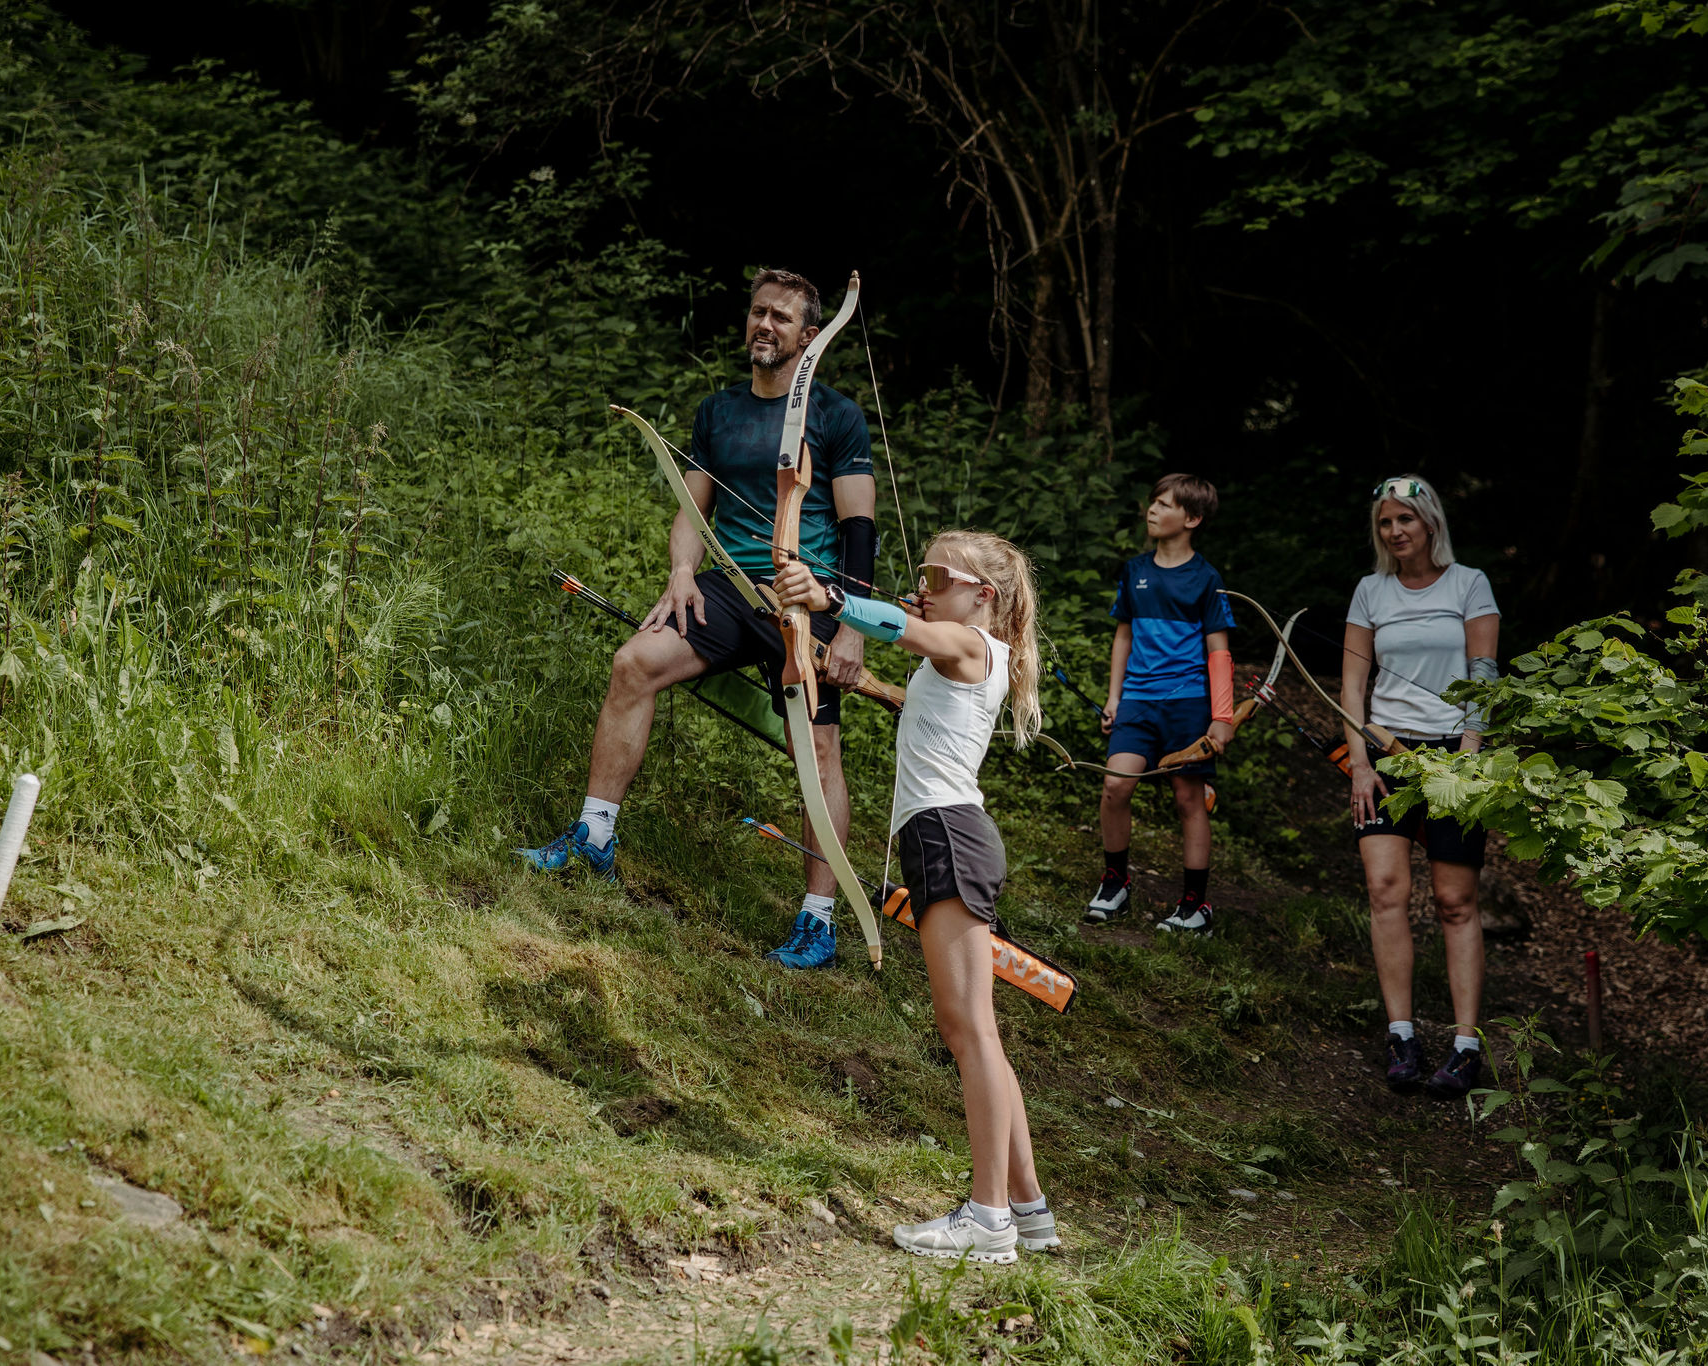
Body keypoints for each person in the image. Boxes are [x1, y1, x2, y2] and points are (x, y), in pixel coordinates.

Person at [519, 269, 881, 971]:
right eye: (757, 313)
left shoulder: (837, 416)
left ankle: (821, 920)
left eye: (781, 317)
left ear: (812, 337)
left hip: (808, 607)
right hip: (727, 588)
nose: (764, 325)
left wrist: (854, 625)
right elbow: (693, 508)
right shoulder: (718, 412)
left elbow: (859, 526)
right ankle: (594, 839)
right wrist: (682, 572)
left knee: (818, 752)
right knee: (634, 664)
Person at [772, 530, 1056, 1264]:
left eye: (939, 574)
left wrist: (829, 598)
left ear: (983, 596)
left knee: (970, 1033)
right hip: (950, 837)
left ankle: (987, 1219)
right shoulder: (968, 656)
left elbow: (905, 627)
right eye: (921, 572)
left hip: (946, 838)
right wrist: (860, 672)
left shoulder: (965, 644)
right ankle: (1028, 1211)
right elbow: (920, 677)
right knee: (977, 1033)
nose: (924, 584)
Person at [1342, 475, 1501, 1099]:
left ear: (1429, 521)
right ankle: (1401, 1035)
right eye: (1385, 523)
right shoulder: (1369, 591)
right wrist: (1360, 763)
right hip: (1386, 756)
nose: (1394, 531)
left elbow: (1484, 678)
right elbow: (1352, 690)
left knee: (1455, 902)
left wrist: (1466, 761)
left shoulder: (1469, 584)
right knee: (1386, 891)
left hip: (1453, 760)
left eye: (1404, 519)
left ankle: (1465, 1047)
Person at [1084, 474, 1237, 934]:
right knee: (1116, 787)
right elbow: (1124, 634)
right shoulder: (1135, 570)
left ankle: (1196, 906)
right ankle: (1115, 883)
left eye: (1164, 504)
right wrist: (1115, 698)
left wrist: (1221, 717)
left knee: (1188, 797)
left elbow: (1219, 650)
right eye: (1152, 501)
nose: (1151, 509)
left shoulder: (1206, 578)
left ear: (1192, 518)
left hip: (1188, 703)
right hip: (1137, 701)